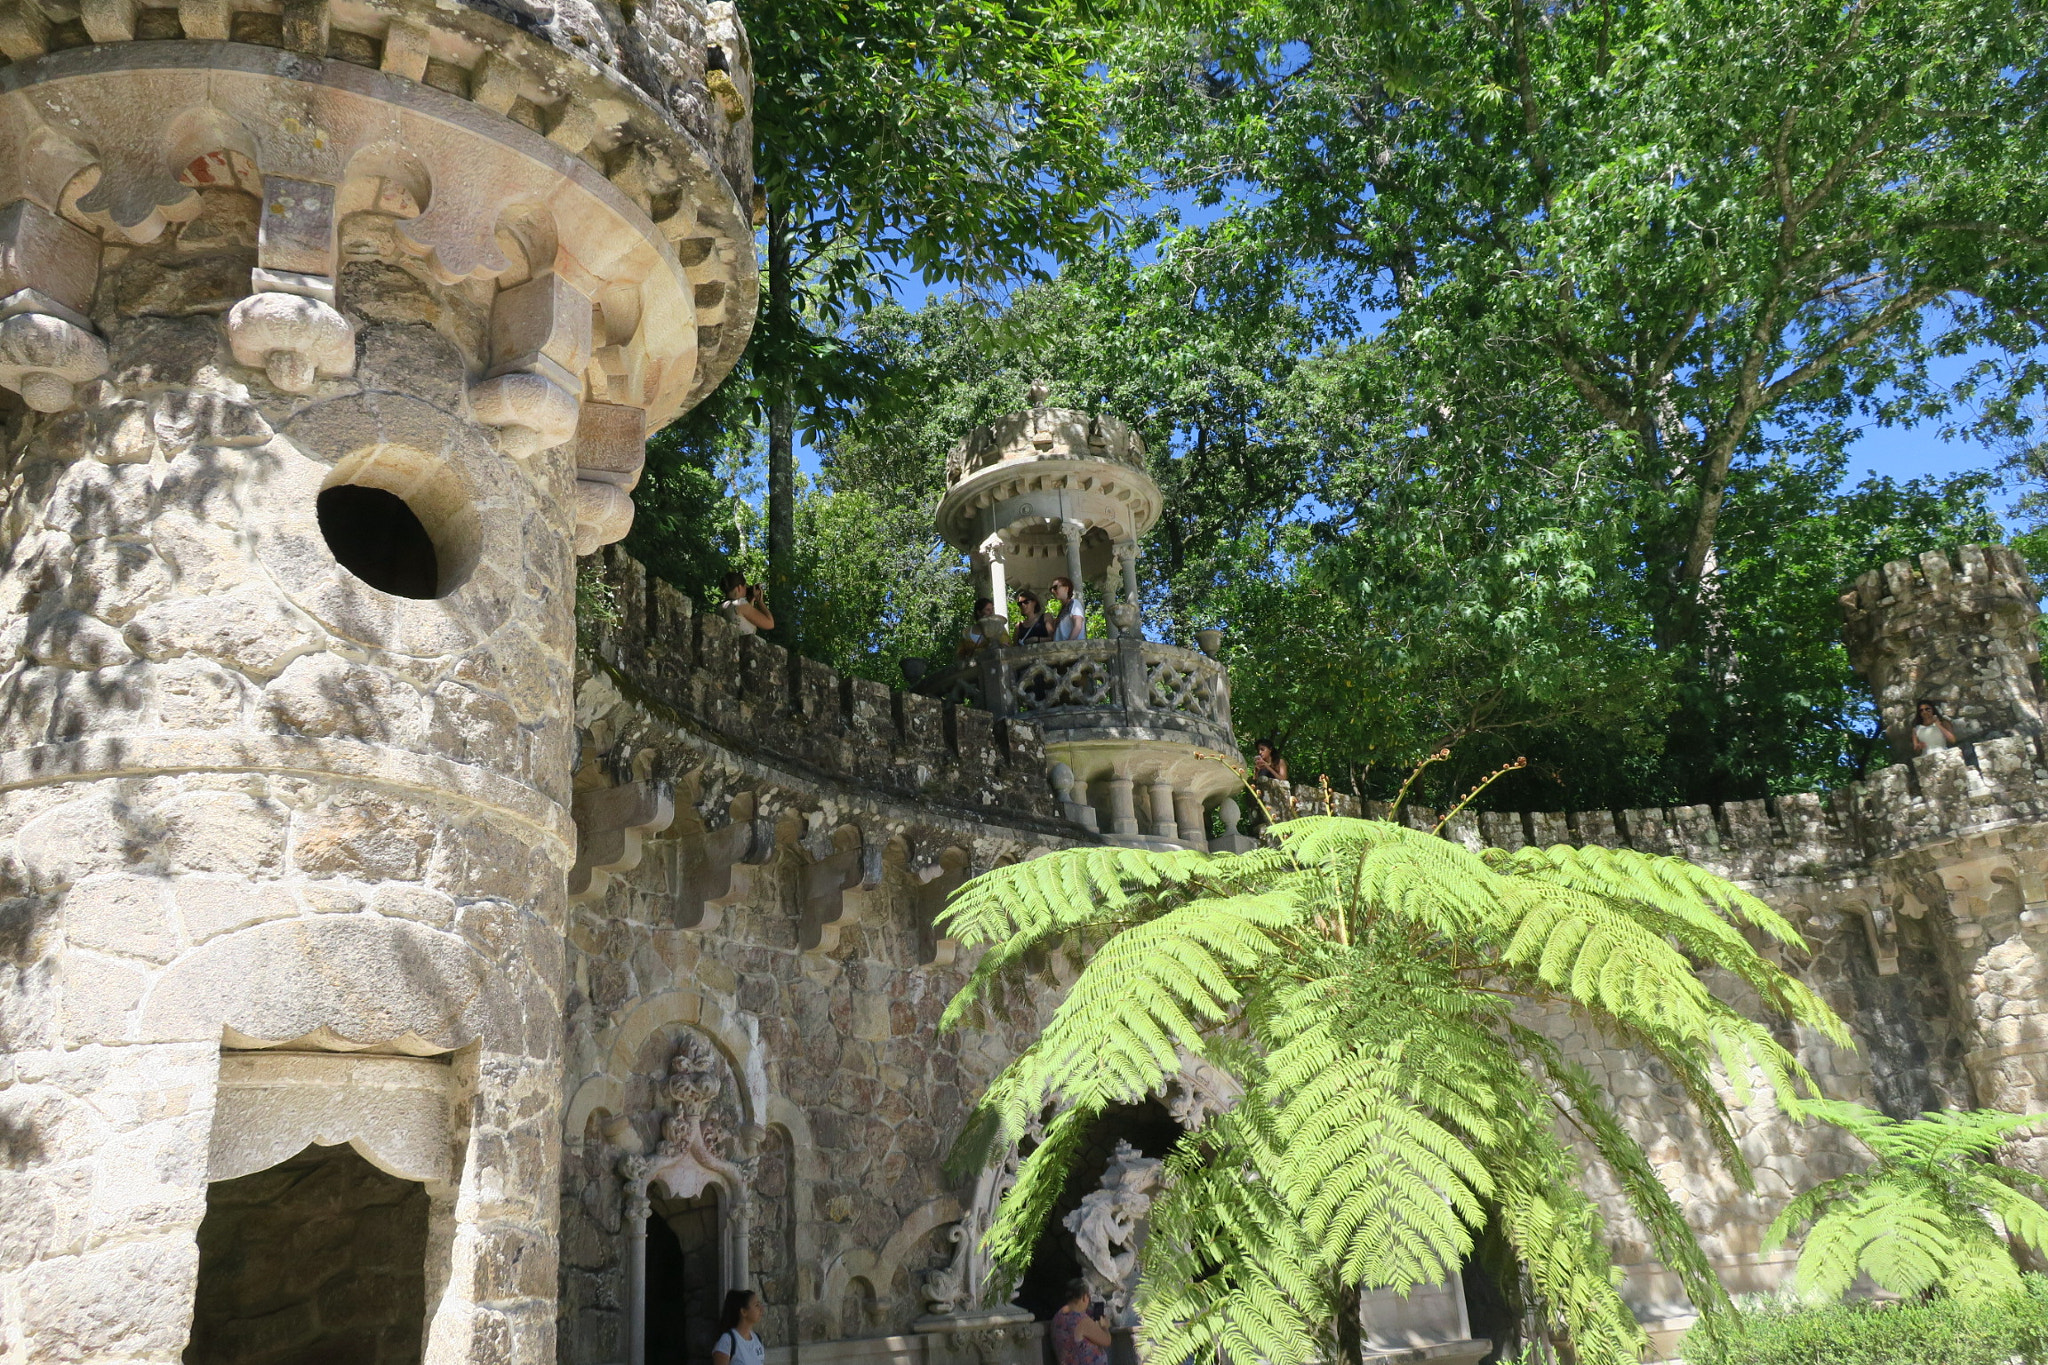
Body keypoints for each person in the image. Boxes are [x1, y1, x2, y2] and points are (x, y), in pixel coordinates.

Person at [1050, 1278, 1112, 1365]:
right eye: (1088, 1297)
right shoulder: (1082, 1321)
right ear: (1084, 1297)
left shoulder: (1058, 1317)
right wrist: (1105, 1326)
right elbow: (1106, 1341)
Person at [711, 1289, 766, 1365]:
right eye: (756, 1305)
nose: (761, 1309)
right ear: (743, 1312)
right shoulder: (727, 1341)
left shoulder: (757, 1339)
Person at [719, 570, 774, 636]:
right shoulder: (740, 604)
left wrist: (752, 600)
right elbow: (770, 624)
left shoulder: (721, 607)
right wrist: (760, 602)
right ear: (739, 588)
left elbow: (744, 619)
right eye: (745, 586)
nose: (746, 589)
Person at [1049, 576, 1085, 641]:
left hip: (1072, 648)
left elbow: (1078, 626)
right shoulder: (1062, 609)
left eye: (1055, 588)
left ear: (1066, 588)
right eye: (1051, 589)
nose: (1052, 591)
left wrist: (1068, 645)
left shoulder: (1074, 603)